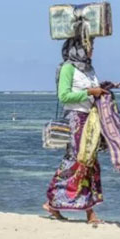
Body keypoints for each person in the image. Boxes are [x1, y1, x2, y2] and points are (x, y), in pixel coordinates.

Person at [43, 36, 109, 224]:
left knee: (89, 163)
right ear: (78, 48)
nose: (92, 50)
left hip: (90, 119)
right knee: (78, 162)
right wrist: (89, 92)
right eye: (90, 45)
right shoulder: (67, 68)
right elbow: (64, 96)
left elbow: (91, 90)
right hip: (75, 119)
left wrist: (104, 88)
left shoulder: (88, 69)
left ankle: (79, 210)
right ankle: (57, 203)